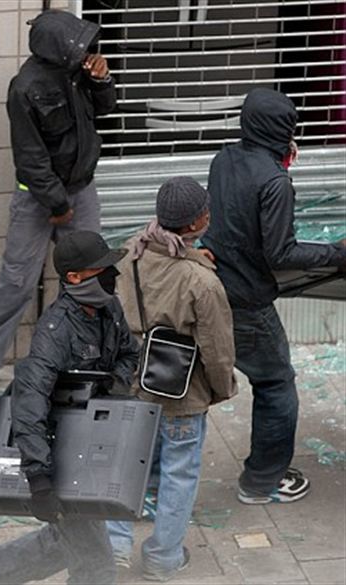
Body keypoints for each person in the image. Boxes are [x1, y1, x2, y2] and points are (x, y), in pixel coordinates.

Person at [0, 230, 140, 585]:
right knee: (96, 566)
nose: (114, 276)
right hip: (59, 450)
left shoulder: (109, 308)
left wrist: (110, 386)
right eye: (103, 269)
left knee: (62, 544)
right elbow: (29, 404)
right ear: (74, 278)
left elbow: (128, 353)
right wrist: (40, 478)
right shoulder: (55, 331)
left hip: (93, 439)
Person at [0, 9, 117, 397]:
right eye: (77, 46)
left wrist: (102, 80)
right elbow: (30, 155)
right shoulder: (25, 87)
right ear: (56, 50)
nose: (85, 51)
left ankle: (88, 358)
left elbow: (106, 110)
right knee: (16, 281)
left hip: (82, 187)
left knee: (91, 277)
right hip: (38, 199)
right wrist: (58, 204)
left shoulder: (81, 74)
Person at [202, 87, 346, 505]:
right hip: (247, 302)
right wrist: (337, 254)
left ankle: (150, 479)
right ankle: (262, 482)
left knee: (186, 388)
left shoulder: (224, 159)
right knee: (277, 384)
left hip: (211, 288)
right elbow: (281, 253)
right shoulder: (274, 181)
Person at [105, 176, 238, 581]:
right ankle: (163, 558)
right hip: (182, 390)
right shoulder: (202, 281)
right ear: (198, 221)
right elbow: (217, 349)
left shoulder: (130, 252)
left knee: (123, 467)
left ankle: (113, 549)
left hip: (129, 379)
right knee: (180, 472)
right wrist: (220, 389)